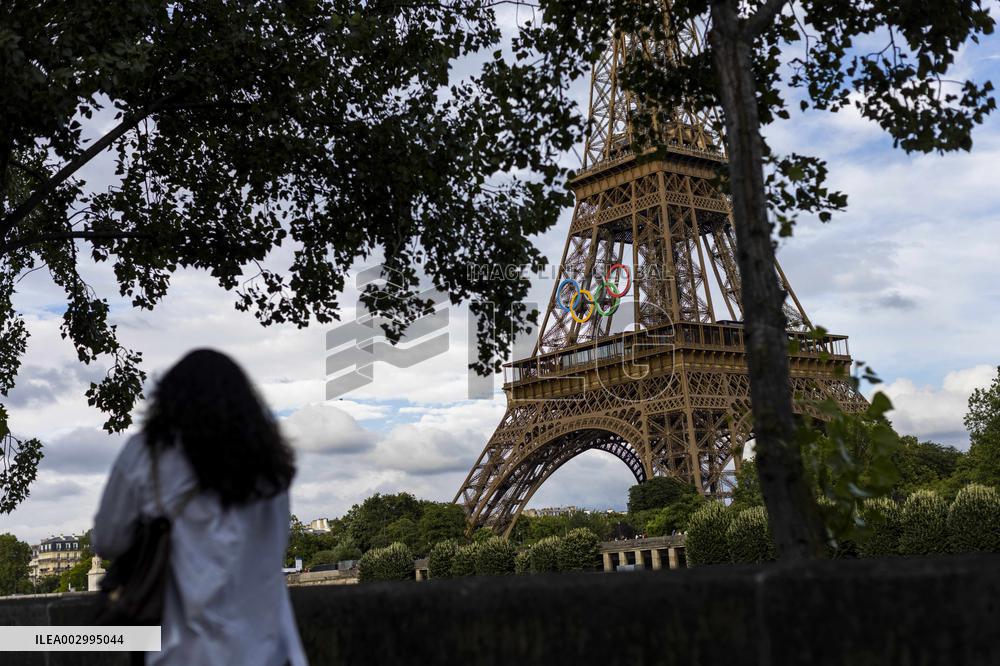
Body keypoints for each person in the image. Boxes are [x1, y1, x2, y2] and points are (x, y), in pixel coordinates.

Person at [93, 349, 307, 666]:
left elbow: (108, 541)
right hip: (269, 649)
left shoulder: (146, 453)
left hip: (180, 652)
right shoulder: (270, 461)